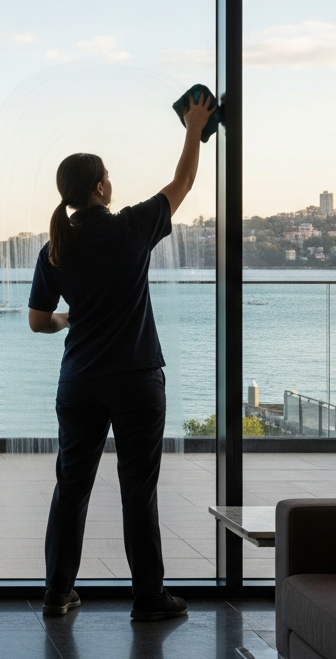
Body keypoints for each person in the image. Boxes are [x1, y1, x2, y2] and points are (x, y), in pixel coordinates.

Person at [29, 92, 214, 622]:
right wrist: (194, 129)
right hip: (135, 378)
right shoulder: (131, 227)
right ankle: (148, 598)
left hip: (80, 380)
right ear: (101, 188)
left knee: (72, 487)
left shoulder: (55, 248)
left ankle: (57, 594)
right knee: (138, 489)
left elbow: (39, 320)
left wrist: (72, 319)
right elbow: (181, 184)